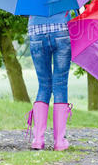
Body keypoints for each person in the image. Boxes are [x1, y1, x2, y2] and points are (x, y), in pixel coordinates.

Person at [26, 11, 72, 151]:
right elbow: (79, 7)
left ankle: (38, 140)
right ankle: (59, 141)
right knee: (60, 85)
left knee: (44, 85)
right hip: (62, 29)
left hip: (36, 30)